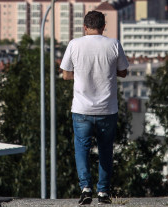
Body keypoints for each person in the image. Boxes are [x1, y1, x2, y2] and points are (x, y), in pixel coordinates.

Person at [60, 10, 129, 205]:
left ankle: (85, 188)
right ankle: (104, 192)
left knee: (81, 149)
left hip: (81, 109)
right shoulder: (113, 44)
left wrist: (80, 74)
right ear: (103, 26)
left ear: (85, 27)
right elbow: (123, 72)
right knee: (106, 150)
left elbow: (65, 74)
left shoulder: (74, 44)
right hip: (107, 108)